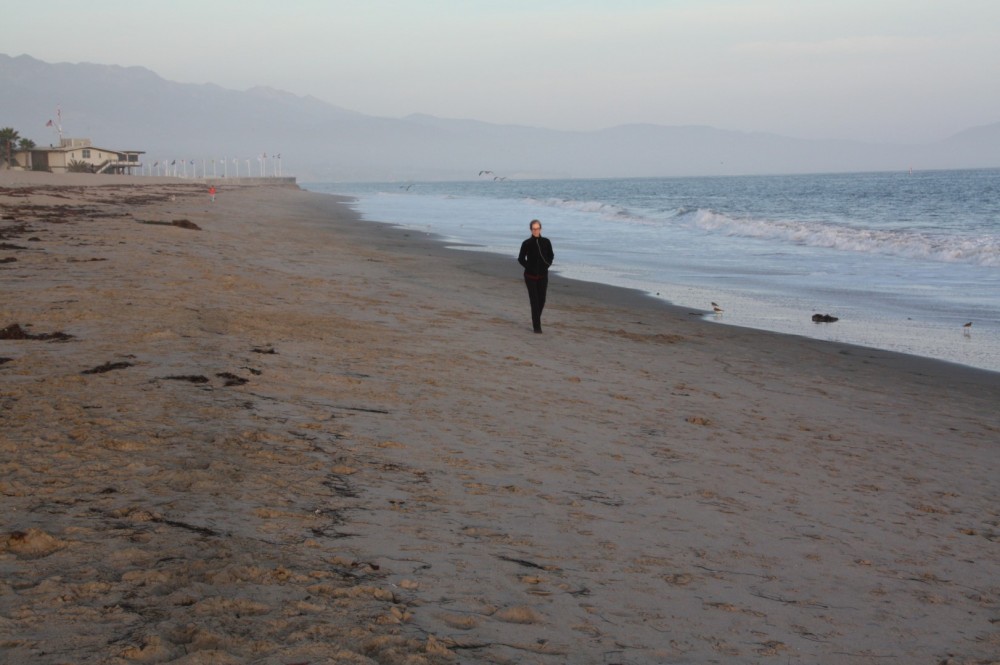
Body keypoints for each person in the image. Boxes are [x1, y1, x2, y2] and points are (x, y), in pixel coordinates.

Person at [517, 219, 554, 333]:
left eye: (537, 228)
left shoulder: (546, 241)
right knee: (534, 301)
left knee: (541, 300)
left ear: (540, 229)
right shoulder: (526, 243)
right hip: (530, 276)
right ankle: (537, 327)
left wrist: (547, 265)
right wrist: (529, 267)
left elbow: (551, 255)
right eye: (534, 229)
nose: (536, 231)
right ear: (530, 230)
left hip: (543, 275)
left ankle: (536, 318)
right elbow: (521, 258)